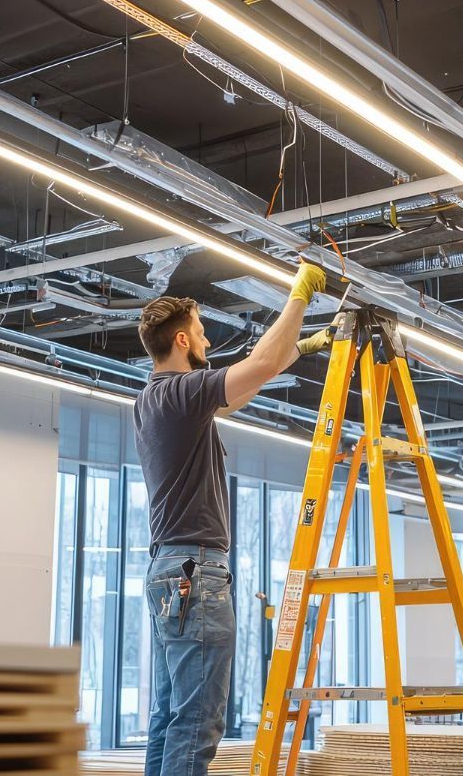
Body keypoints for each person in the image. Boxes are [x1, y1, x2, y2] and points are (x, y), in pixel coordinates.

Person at [133, 261, 332, 776]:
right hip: (194, 576)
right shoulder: (180, 394)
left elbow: (239, 392)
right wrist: (299, 296)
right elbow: (256, 364)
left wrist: (296, 351)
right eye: (200, 333)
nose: (206, 342)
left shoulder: (157, 399)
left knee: (170, 718)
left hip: (173, 572)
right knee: (197, 722)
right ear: (181, 340)